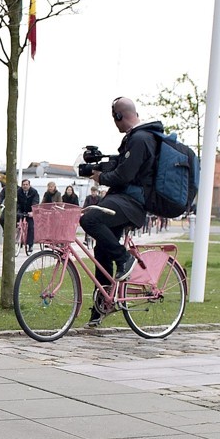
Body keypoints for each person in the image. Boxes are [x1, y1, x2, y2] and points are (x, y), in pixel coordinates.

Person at [80, 97, 162, 327]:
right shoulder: (135, 139)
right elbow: (123, 167)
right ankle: (101, 305)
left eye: (113, 118)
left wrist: (100, 177)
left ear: (119, 116)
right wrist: (100, 165)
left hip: (132, 204)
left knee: (90, 219)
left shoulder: (141, 139)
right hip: (122, 200)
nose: (114, 123)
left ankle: (125, 259)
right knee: (102, 249)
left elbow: (124, 175)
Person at [16, 178, 40, 253]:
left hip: (30, 211)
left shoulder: (34, 192)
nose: (25, 186)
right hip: (21, 210)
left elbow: (35, 202)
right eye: (23, 185)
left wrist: (32, 211)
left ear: (29, 185)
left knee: (31, 227)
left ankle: (30, 245)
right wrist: (17, 210)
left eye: (26, 184)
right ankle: (18, 239)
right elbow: (17, 202)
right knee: (14, 222)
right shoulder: (18, 191)